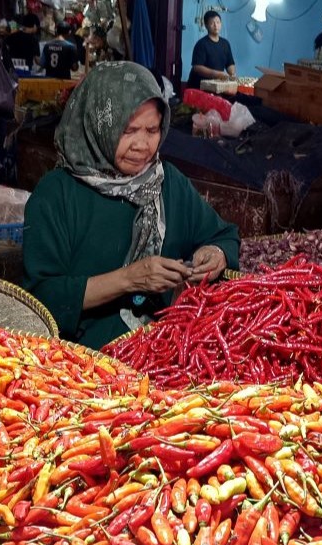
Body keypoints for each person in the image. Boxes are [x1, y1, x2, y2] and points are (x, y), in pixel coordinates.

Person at [23, 62, 240, 350]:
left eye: (152, 130)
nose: (143, 144)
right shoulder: (57, 195)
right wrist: (130, 279)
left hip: (167, 351)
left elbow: (222, 235)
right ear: (98, 125)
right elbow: (40, 297)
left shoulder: (167, 182)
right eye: (129, 130)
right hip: (82, 361)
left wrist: (215, 254)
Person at [187, 10, 235, 90]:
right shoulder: (201, 44)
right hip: (199, 87)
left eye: (218, 22)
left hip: (216, 86)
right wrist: (218, 74)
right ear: (206, 26)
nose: (216, 26)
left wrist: (232, 73)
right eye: (212, 23)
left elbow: (230, 64)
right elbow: (197, 67)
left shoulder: (225, 43)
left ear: (221, 24)